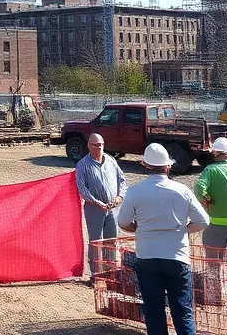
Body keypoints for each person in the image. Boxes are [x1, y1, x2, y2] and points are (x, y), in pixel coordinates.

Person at [117, 143, 210, 335]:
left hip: (147, 256)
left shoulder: (135, 192)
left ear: (145, 165)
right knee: (182, 310)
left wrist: (140, 228)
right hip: (177, 256)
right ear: (168, 166)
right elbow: (203, 221)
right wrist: (183, 230)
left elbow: (124, 222)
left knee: (154, 309)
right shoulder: (182, 190)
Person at [75, 133, 126, 276]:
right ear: (89, 146)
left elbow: (122, 179)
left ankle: (110, 272)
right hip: (94, 208)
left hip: (111, 208)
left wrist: (119, 196)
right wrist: (96, 202)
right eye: (96, 145)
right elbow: (82, 188)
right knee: (96, 241)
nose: (99, 148)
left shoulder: (111, 161)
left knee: (111, 239)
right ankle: (95, 274)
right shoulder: (82, 165)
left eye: (101, 144)